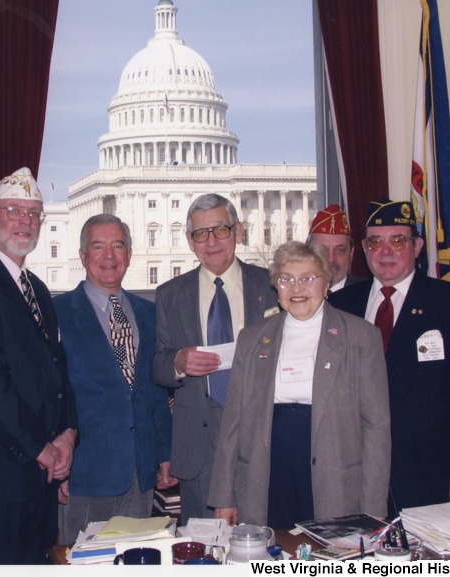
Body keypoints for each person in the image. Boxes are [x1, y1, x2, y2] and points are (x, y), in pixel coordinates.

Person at [208, 241, 390, 528]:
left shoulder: (361, 337)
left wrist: (374, 505)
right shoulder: (252, 338)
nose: (297, 288)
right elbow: (233, 422)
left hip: (335, 479)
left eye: (308, 278)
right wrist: (223, 496)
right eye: (286, 279)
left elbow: (377, 428)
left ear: (326, 283)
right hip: (265, 476)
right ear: (276, 287)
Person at [331, 199, 450, 512]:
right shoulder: (340, 305)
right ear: (363, 248)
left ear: (417, 246)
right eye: (376, 242)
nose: (386, 251)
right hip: (355, 471)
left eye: (398, 240)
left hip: (431, 471)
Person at [0, 167, 78, 564]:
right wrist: (39, 447)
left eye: (34, 214)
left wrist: (67, 433)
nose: (26, 222)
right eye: (14, 211)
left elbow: (58, 370)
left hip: (40, 476)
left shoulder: (38, 289)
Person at [152, 193, 280, 524]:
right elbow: (158, 366)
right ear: (189, 241)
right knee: (205, 550)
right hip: (199, 447)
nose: (211, 242)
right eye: (200, 233)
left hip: (263, 437)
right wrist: (179, 362)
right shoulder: (169, 294)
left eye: (220, 230)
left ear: (238, 232)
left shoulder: (271, 285)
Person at [53, 214, 177, 545]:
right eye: (98, 246)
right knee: (83, 562)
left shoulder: (149, 313)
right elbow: (52, 394)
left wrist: (164, 452)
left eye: (118, 245)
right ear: (83, 256)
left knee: (134, 560)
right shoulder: (58, 312)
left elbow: (155, 391)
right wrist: (57, 463)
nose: (109, 256)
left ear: (129, 254)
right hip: (84, 471)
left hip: (140, 471)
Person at [306, 203, 364, 291]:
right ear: (307, 252)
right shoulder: (289, 294)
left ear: (351, 254)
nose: (331, 259)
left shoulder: (369, 297)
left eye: (340, 250)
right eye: (322, 250)